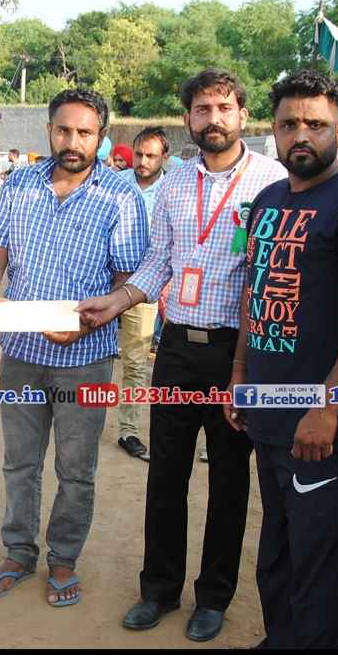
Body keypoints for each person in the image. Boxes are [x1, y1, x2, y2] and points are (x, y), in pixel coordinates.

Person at [76, 68, 288, 642]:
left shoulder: (273, 182)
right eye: (201, 109)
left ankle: (214, 597)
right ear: (188, 119)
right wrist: (117, 300)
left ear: (243, 115)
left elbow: (270, 277)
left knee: (228, 483)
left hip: (235, 355)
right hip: (175, 350)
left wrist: (248, 365)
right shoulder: (174, 184)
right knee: (166, 476)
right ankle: (159, 589)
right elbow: (158, 264)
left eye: (223, 108)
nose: (212, 119)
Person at [226, 70, 338, 649]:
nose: (300, 135)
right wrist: (241, 375)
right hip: (269, 412)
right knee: (278, 553)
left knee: (318, 564)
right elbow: (255, 292)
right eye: (288, 124)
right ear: (273, 130)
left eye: (316, 124)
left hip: (324, 425)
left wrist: (327, 409)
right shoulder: (268, 201)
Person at [0, 87, 149, 608]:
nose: (73, 141)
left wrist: (88, 325)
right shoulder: (20, 183)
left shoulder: (121, 197)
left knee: (76, 469)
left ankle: (64, 558)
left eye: (85, 132)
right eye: (64, 130)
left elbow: (126, 280)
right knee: (20, 462)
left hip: (86, 360)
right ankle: (19, 552)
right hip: (21, 354)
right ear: (48, 131)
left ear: (101, 137)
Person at [111, 126, 171, 462]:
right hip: (103, 285)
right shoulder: (113, 184)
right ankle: (79, 417)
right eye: (138, 154)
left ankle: (128, 430)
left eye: (151, 155)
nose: (143, 161)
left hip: (143, 288)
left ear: (164, 157)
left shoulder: (172, 190)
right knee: (90, 357)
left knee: (134, 362)